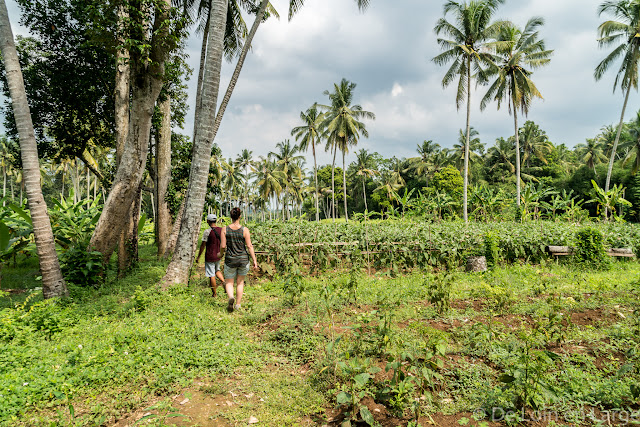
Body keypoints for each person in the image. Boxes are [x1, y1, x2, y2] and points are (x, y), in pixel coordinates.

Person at [217, 207, 258, 312]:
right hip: (243, 259)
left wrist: (220, 255)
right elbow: (249, 246)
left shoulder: (225, 229)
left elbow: (222, 246)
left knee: (229, 282)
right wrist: (254, 260)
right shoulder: (245, 230)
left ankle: (231, 297)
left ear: (231, 217)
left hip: (230, 260)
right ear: (240, 216)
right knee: (240, 282)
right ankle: (238, 305)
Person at [196, 213, 224, 297]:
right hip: (218, 255)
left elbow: (203, 245)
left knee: (211, 275)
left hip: (210, 256)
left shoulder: (207, 231)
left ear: (208, 221)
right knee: (217, 270)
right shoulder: (221, 230)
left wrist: (198, 256)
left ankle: (214, 294)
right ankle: (224, 282)